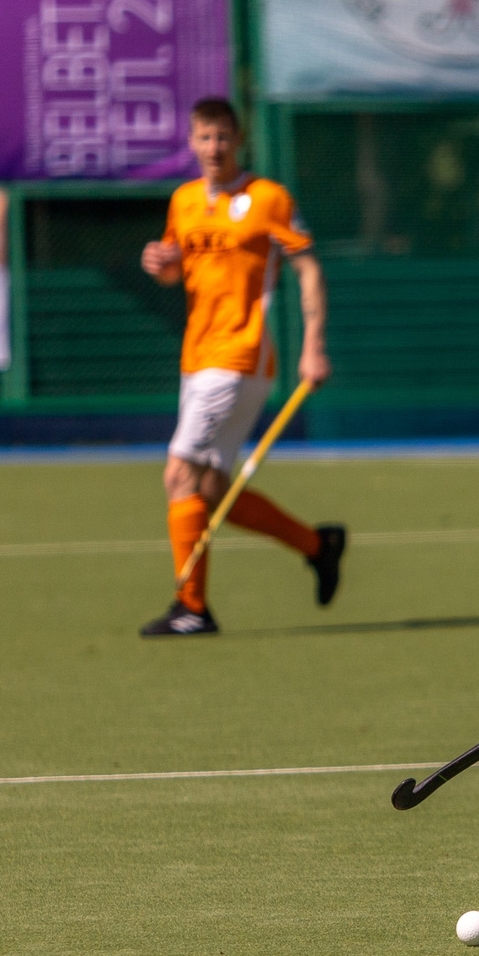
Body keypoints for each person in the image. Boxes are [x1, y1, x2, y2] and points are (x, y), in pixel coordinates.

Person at [136, 97, 341, 637]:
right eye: (204, 138)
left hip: (239, 357)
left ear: (239, 140)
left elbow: (308, 270)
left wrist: (313, 346)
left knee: (179, 474)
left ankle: (191, 608)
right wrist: (160, 264)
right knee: (208, 490)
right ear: (191, 143)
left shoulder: (268, 198)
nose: (214, 148)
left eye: (223, 137)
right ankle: (318, 545)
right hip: (197, 358)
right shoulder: (183, 201)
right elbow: (176, 270)